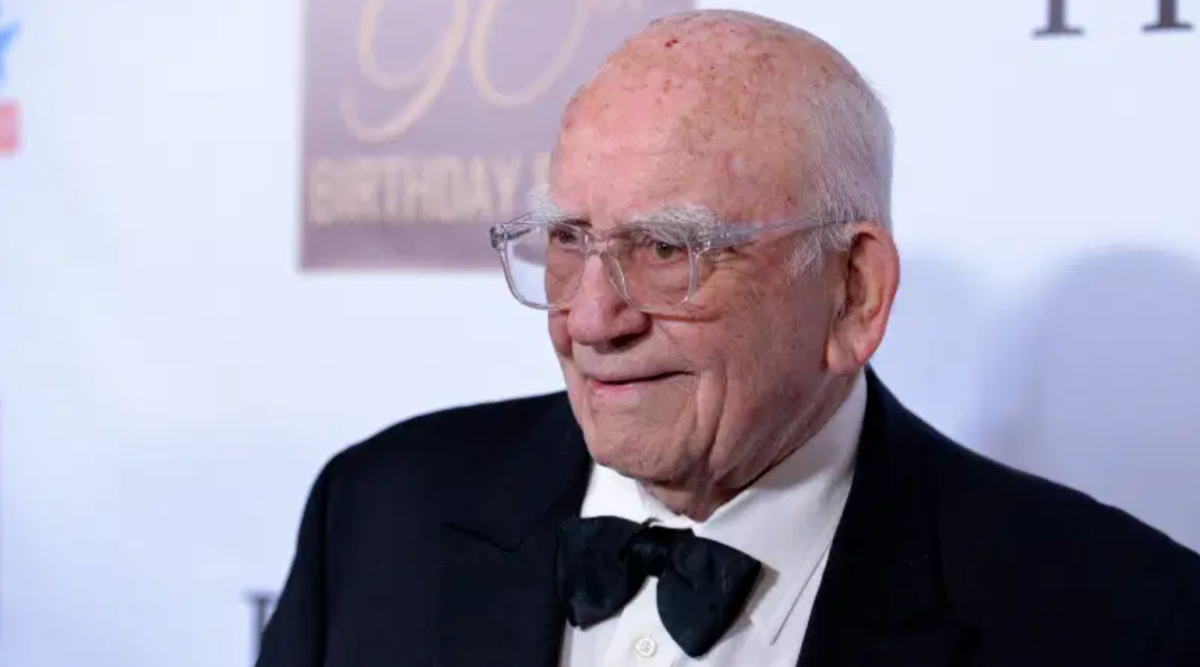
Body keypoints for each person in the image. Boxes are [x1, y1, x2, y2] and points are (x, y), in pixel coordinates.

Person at [257, 9, 1200, 667]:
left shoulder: (1120, 618)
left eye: (670, 248)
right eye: (568, 240)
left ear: (854, 292)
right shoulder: (378, 512)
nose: (590, 320)